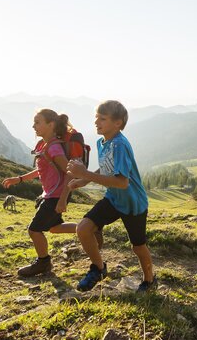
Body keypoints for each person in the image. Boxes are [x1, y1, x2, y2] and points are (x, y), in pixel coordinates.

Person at [66, 100, 156, 293]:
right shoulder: (102, 142)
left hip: (133, 203)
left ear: (118, 122)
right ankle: (98, 269)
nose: (97, 122)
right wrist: (84, 181)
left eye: (103, 119)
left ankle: (149, 280)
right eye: (96, 118)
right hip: (113, 199)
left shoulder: (120, 145)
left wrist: (85, 174)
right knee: (83, 229)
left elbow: (123, 182)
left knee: (138, 247)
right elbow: (107, 168)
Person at [2, 109, 78, 276]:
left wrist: (63, 199)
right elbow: (41, 170)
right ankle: (89, 229)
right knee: (54, 228)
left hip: (57, 195)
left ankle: (43, 263)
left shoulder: (55, 148)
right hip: (50, 194)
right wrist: (20, 179)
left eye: (37, 122)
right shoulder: (43, 145)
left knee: (34, 229)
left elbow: (70, 172)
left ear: (51, 125)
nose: (33, 126)